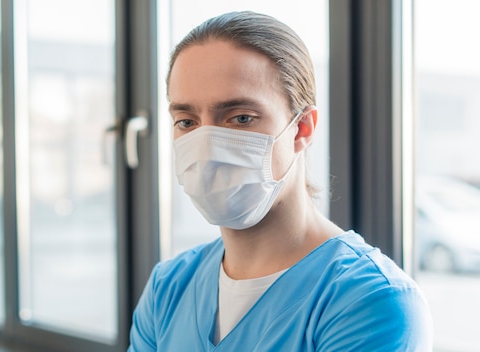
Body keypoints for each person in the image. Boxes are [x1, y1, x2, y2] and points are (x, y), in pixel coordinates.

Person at [128, 11, 433, 351]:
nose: (206, 145)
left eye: (241, 118)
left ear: (302, 128)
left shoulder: (370, 302)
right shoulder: (168, 288)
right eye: (186, 122)